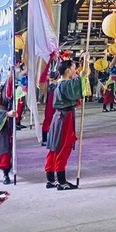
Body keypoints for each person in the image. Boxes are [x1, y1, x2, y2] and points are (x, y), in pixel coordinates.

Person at [45, 59, 82, 190]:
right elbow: (79, 84)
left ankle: (50, 179)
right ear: (67, 71)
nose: (75, 71)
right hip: (65, 118)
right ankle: (61, 181)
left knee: (54, 147)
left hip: (58, 117)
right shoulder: (66, 84)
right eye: (73, 68)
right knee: (63, 147)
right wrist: (86, 64)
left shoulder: (58, 84)